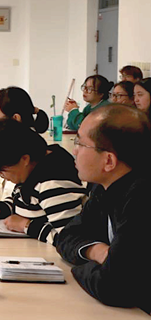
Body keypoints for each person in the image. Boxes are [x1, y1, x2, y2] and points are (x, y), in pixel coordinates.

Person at [55, 105, 150, 314]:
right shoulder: (104, 186)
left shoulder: (142, 197)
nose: (74, 151)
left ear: (108, 161)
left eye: (80, 143)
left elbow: (114, 287)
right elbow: (66, 237)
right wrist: (98, 251)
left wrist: (80, 268)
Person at [0, 119, 87, 245]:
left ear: (24, 159)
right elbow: (23, 203)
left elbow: (69, 239)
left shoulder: (53, 183)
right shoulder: (31, 171)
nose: (3, 177)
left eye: (2, 171)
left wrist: (26, 226)